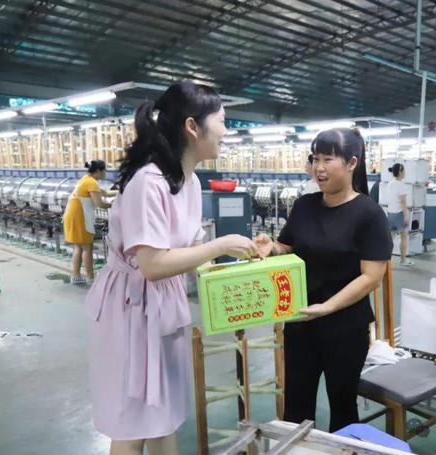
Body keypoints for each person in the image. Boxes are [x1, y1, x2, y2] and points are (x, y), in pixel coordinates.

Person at [85, 80, 259, 455]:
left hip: (163, 303)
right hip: (131, 308)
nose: (226, 131)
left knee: (163, 414)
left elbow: (192, 251)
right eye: (222, 121)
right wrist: (222, 244)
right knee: (134, 421)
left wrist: (240, 265)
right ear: (193, 127)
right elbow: (152, 264)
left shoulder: (189, 182)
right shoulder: (148, 182)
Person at [255, 128, 393, 432]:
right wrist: (271, 247)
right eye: (315, 159)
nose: (319, 167)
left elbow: (371, 277)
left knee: (342, 407)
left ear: (352, 162)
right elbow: (288, 247)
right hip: (301, 322)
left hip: (345, 328)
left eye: (328, 159)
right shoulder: (305, 205)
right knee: (296, 406)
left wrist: (328, 307)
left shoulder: (369, 214)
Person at [63, 159, 115, 285]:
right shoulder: (91, 182)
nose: (105, 173)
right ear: (98, 171)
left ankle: (76, 276)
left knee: (79, 247)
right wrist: (115, 205)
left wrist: (123, 192)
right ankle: (91, 278)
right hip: (80, 217)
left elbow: (106, 193)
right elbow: (100, 203)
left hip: (73, 216)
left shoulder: (85, 179)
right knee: (87, 247)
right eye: (104, 171)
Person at [386, 163, 413, 266]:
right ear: (400, 171)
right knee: (404, 237)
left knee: (390, 239)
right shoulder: (401, 185)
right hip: (399, 214)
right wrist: (406, 215)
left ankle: (386, 261)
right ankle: (403, 260)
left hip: (390, 213)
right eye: (404, 170)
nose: (405, 172)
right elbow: (403, 202)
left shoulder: (390, 183)